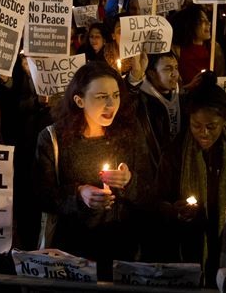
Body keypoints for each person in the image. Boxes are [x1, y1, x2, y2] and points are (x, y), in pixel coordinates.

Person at [34, 61, 153, 280]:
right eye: (101, 97)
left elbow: (149, 190)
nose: (111, 104)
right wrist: (79, 194)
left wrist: (129, 181)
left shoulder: (130, 132)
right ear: (79, 100)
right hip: (72, 251)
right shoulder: (52, 139)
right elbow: (42, 195)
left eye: (116, 95)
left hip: (122, 249)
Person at [158, 71, 226, 286]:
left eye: (212, 126)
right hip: (187, 242)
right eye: (196, 125)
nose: (204, 133)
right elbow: (157, 199)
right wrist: (176, 211)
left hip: (225, 241)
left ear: (224, 121)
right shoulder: (175, 152)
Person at [171, 5, 225, 89]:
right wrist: (188, 87)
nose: (208, 23)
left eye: (208, 20)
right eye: (202, 21)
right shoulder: (176, 50)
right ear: (188, 24)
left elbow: (221, 77)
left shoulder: (214, 48)